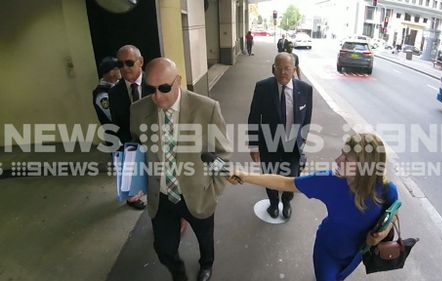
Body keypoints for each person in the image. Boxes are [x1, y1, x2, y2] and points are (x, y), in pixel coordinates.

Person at [227, 133, 398, 281]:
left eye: (346, 158)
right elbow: (286, 182)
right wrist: (245, 175)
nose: (337, 160)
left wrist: (381, 234)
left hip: (357, 256)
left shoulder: (387, 190)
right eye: (341, 154)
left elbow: (393, 212)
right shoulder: (330, 181)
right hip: (328, 252)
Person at [130, 57, 231, 281]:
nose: (156, 96)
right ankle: (179, 275)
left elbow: (222, 153)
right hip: (162, 197)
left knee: (205, 239)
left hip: (198, 195)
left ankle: (206, 264)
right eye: (151, 88)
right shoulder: (138, 110)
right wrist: (135, 183)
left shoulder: (207, 109)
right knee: (164, 249)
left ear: (178, 80)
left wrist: (214, 191)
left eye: (164, 88)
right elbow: (137, 151)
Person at [248, 53, 313, 219]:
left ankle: (287, 201)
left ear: (294, 70)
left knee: (291, 178)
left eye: (287, 68)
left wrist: (302, 141)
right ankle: (274, 203)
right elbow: (254, 117)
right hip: (269, 143)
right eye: (279, 68)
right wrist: (254, 145)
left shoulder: (305, 90)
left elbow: (307, 119)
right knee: (269, 177)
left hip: (293, 145)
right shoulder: (262, 88)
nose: (283, 72)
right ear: (273, 69)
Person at [109, 45, 150, 210]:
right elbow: (117, 123)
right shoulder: (114, 93)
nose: (124, 68)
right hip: (131, 141)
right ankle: (133, 196)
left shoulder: (154, 83)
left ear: (140, 62)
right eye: (120, 64)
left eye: (129, 63)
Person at [92, 56, 121, 126]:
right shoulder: (102, 94)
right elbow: (113, 117)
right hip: (116, 133)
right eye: (118, 68)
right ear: (111, 72)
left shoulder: (118, 85)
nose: (121, 70)